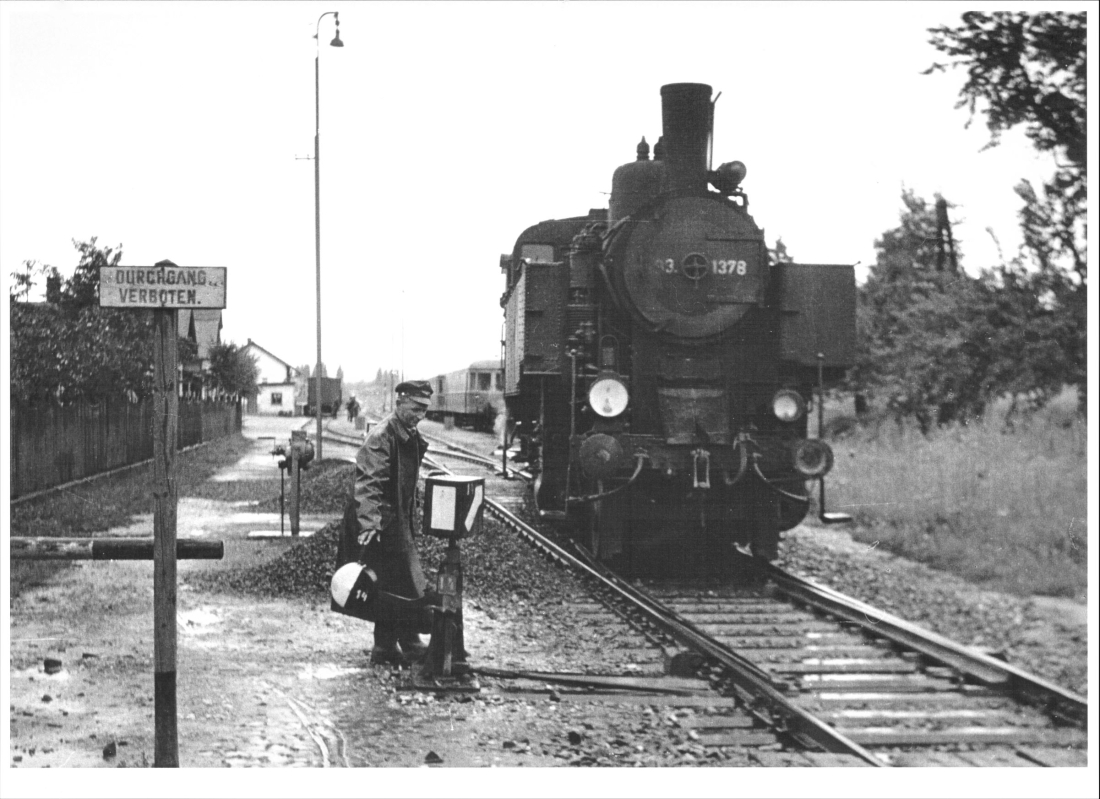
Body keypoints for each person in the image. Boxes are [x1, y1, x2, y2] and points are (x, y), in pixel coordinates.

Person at [335, 380, 433, 666]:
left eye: (425, 410)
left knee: (398, 582)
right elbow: (368, 483)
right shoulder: (382, 436)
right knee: (391, 584)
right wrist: (370, 525)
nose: (420, 415)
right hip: (379, 521)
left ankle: (399, 642)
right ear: (400, 402)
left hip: (394, 519)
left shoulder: (406, 432)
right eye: (416, 408)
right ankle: (392, 645)